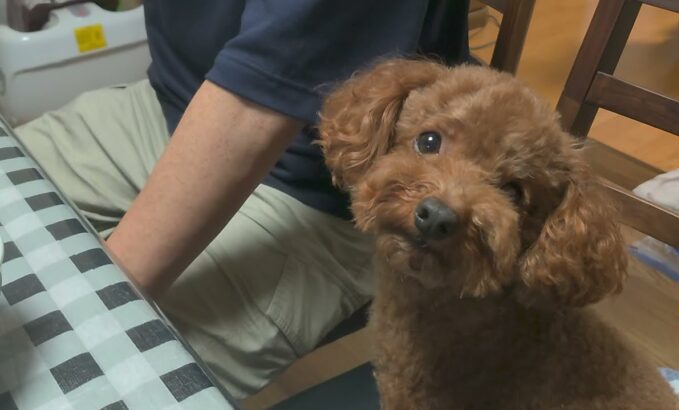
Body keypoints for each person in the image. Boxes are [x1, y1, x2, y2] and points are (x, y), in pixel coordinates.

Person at [16, 0, 471, 399]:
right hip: (174, 97)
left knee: (70, 370)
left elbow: (256, 103)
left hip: (316, 185)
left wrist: (90, 309)